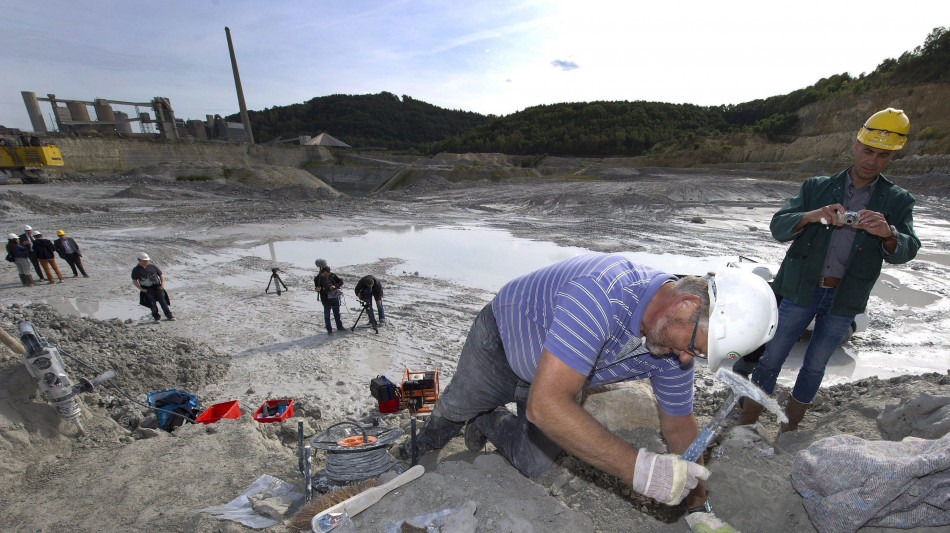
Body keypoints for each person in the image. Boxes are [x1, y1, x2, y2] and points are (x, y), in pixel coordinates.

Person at [405, 253, 777, 532]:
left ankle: (488, 420)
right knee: (455, 406)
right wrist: (641, 470)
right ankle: (418, 451)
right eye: (693, 346)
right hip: (503, 344)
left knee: (534, 464)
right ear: (687, 305)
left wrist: (699, 510)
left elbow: (679, 427)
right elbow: (547, 405)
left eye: (696, 355)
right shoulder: (603, 291)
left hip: (560, 377)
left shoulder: (671, 347)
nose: (686, 358)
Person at [739, 108, 921, 432]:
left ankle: (789, 428)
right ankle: (748, 421)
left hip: (845, 298)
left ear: (891, 158)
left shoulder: (898, 200)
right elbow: (778, 226)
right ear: (855, 147)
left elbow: (908, 247)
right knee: (771, 358)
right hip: (801, 290)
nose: (873, 160)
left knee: (814, 367)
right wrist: (810, 216)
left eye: (883, 155)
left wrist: (889, 234)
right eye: (868, 151)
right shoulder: (817, 187)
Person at [131, 252, 174, 322]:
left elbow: (161, 275)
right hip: (147, 289)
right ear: (139, 260)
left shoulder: (153, 267)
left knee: (163, 302)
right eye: (145, 260)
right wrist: (141, 289)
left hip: (157, 287)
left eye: (147, 260)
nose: (147, 261)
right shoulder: (136, 270)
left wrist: (162, 284)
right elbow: (134, 281)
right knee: (152, 304)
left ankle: (169, 316)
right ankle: (156, 318)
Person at [314, 265, 345, 335]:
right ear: (324, 272)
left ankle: (339, 326)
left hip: (335, 297)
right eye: (327, 272)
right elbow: (316, 287)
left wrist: (335, 286)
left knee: (337, 313)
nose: (328, 274)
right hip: (325, 298)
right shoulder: (317, 279)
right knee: (327, 314)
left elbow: (341, 281)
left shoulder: (332, 275)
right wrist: (317, 289)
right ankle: (329, 330)